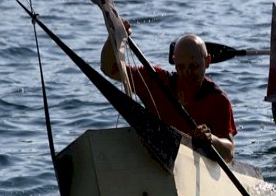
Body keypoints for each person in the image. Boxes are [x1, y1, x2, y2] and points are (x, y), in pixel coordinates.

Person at [101, 32, 237, 162]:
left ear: (207, 61)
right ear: (174, 61)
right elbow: (109, 68)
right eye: (181, 66)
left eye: (194, 66)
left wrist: (211, 139)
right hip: (154, 157)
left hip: (194, 165)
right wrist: (116, 36)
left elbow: (229, 153)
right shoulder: (156, 81)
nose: (187, 73)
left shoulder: (218, 100)